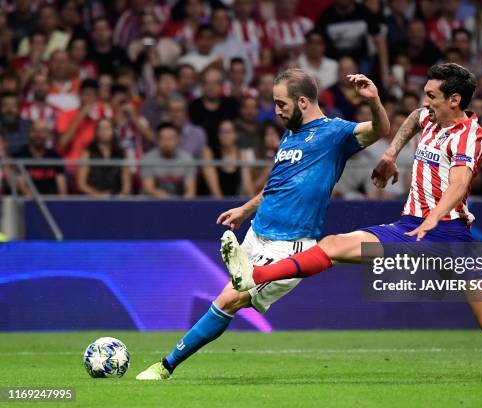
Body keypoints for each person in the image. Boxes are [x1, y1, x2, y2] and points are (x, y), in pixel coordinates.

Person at [224, 63, 482, 338]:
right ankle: (257, 275)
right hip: (408, 228)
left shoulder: (472, 135)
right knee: (334, 245)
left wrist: (435, 216)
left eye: (432, 96)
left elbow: (460, 182)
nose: (425, 102)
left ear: (455, 100)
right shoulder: (430, 117)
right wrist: (391, 154)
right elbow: (412, 119)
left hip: (449, 236)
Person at [136, 68, 389, 380]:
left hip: (290, 247)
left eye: (281, 104)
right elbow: (277, 185)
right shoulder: (289, 136)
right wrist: (245, 209)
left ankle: (164, 367)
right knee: (227, 300)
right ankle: (166, 365)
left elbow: (379, 129)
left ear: (304, 102)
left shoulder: (335, 134)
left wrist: (375, 100)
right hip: (257, 233)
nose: (276, 110)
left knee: (231, 298)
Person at [77, 118, 131, 197]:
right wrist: (98, 195)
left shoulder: (120, 154)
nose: (103, 131)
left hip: (116, 200)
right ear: (96, 132)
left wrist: (121, 196)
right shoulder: (88, 152)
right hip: (93, 200)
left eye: (107, 128)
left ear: (113, 131)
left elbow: (126, 184)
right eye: (101, 128)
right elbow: (81, 184)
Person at [141, 123, 196, 199]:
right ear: (157, 140)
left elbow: (190, 191)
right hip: (154, 203)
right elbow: (148, 188)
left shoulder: (187, 159)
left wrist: (183, 205)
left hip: (180, 204)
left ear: (178, 139)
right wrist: (168, 200)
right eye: (163, 138)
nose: (167, 143)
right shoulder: (148, 158)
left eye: (170, 138)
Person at [13, 120, 67, 196]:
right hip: (27, 202)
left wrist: (63, 202)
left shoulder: (55, 156)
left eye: (43, 132)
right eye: (35, 131)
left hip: (51, 201)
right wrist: (34, 202)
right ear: (29, 134)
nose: (39, 135)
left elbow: (61, 182)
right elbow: (20, 182)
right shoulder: (20, 155)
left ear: (48, 135)